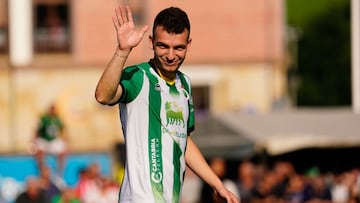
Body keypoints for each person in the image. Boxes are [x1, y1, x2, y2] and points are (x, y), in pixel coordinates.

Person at [95, 5, 239, 203]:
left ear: (188, 45)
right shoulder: (139, 77)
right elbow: (103, 96)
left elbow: (183, 141)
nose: (171, 55)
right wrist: (122, 51)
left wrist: (217, 184)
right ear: (151, 42)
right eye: (163, 46)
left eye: (178, 47)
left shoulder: (185, 85)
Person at [32, 104, 68, 176]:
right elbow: (37, 130)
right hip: (44, 140)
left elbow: (62, 131)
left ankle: (59, 172)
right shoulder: (44, 119)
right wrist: (33, 141)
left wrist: (66, 141)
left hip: (53, 141)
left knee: (63, 152)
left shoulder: (58, 119)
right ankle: (41, 170)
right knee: (39, 151)